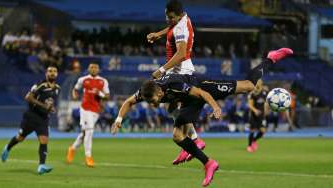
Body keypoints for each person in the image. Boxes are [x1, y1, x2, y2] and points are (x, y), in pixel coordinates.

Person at [111, 48, 293, 187]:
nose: (152, 104)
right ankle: (209, 163)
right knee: (177, 135)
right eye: (150, 102)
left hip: (203, 87)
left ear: (160, 91)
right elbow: (127, 102)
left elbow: (200, 93)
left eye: (155, 100)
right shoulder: (146, 91)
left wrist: (215, 107)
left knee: (248, 86)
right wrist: (118, 121)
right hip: (189, 101)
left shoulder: (175, 85)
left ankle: (270, 58)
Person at [147, 0, 206, 165]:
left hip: (180, 70)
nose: (168, 20)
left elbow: (180, 54)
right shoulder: (182, 20)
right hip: (180, 69)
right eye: (166, 16)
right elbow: (172, 28)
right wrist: (159, 34)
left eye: (171, 17)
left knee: (169, 102)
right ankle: (192, 141)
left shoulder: (180, 27)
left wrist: (162, 69)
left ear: (179, 15)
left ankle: (194, 140)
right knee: (171, 107)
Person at [0, 66, 60, 175]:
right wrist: (43, 106)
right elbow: (28, 97)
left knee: (44, 140)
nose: (52, 73)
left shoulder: (57, 88)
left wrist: (51, 108)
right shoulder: (39, 85)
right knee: (20, 138)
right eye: (50, 71)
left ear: (57, 74)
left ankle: (41, 166)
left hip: (43, 119)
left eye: (55, 71)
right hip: (32, 116)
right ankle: (7, 148)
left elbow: (49, 102)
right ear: (46, 73)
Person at [66, 62, 110, 167]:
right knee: (90, 131)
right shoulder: (83, 79)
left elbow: (107, 96)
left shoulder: (103, 81)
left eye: (96, 67)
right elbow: (75, 89)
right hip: (85, 109)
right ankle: (88, 157)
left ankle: (72, 149)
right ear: (89, 69)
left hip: (96, 110)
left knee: (84, 133)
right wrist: (75, 96)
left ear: (98, 70)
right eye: (92, 67)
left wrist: (100, 94)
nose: (94, 69)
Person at [246, 79, 269, 152]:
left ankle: (253, 141)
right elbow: (249, 105)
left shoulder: (264, 93)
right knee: (252, 130)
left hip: (261, 115)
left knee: (263, 131)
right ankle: (249, 146)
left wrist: (266, 110)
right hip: (253, 115)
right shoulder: (253, 93)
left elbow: (265, 103)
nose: (259, 83)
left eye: (260, 82)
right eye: (258, 82)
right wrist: (255, 110)